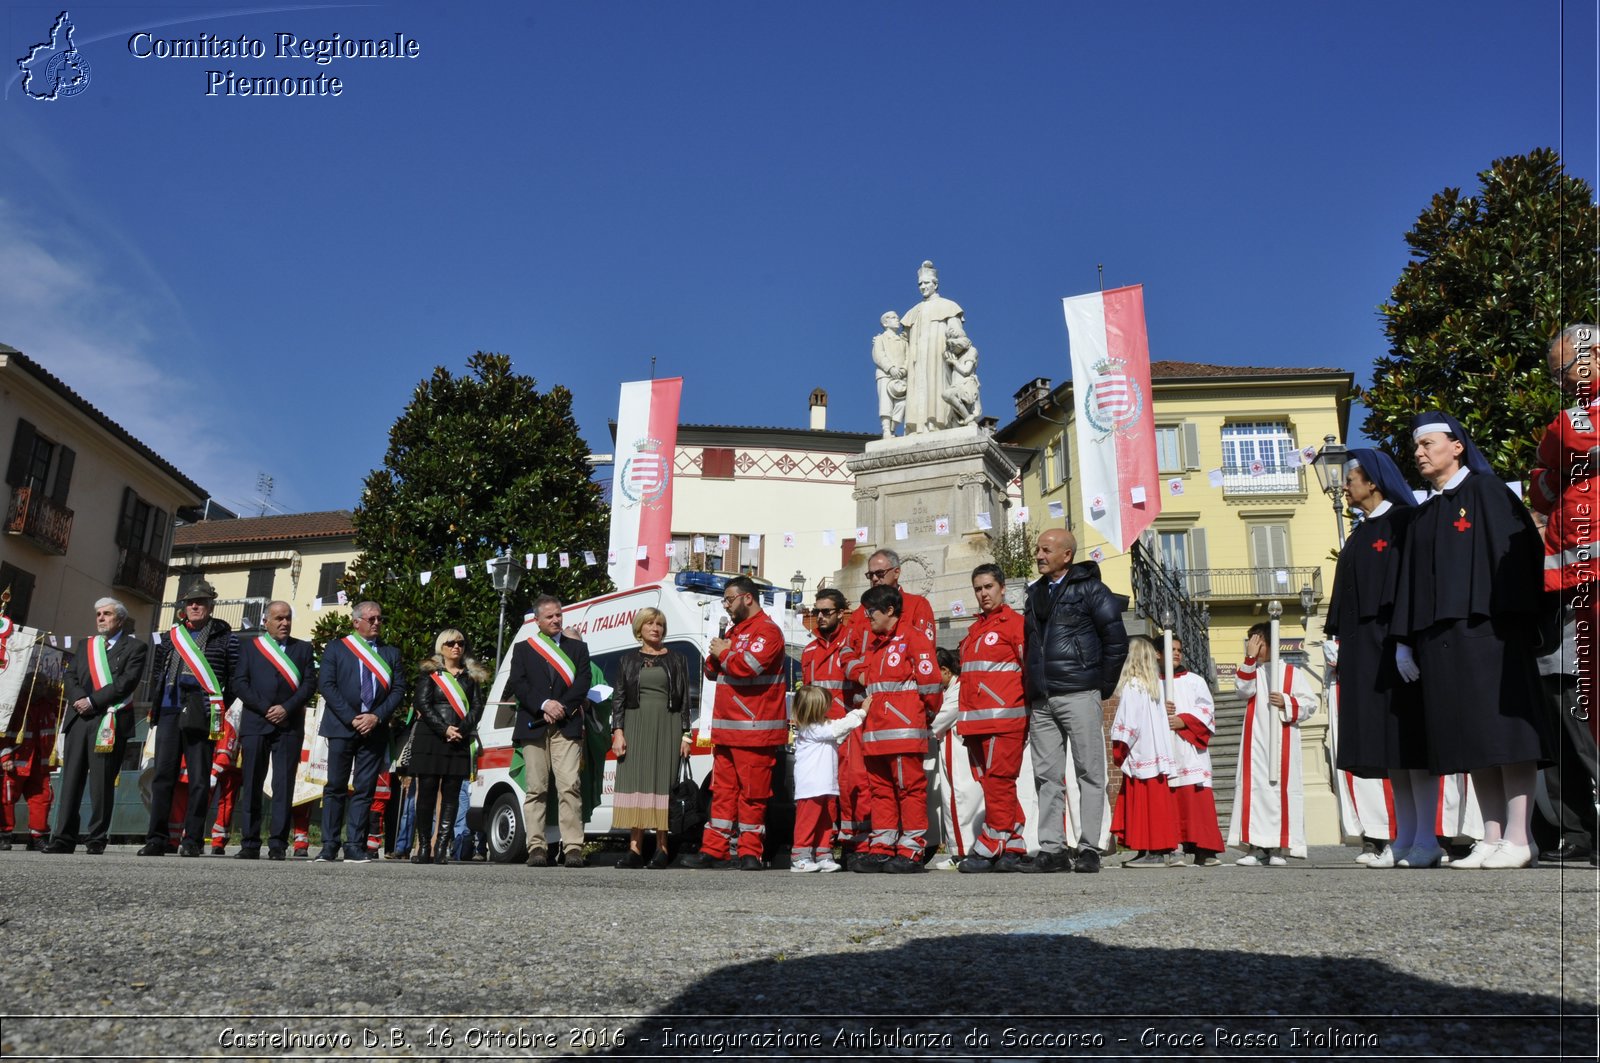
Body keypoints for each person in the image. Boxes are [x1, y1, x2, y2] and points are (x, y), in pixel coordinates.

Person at [1396, 410, 1552, 870]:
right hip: (1441, 638)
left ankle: (1522, 837)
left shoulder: (1488, 491)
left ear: (1457, 446)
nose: (1419, 453)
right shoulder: (1424, 514)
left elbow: (1519, 555)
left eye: (1428, 444)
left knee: (1506, 735)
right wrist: (1405, 641)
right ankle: (1491, 835)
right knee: (1470, 738)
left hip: (1491, 631)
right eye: (1417, 447)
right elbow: (1412, 582)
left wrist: (1518, 620)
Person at [1322, 449, 1417, 868]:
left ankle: (1421, 837)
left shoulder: (1400, 523)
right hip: (1363, 645)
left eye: (1351, 478)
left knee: (1404, 739)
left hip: (1389, 639)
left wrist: (1404, 639)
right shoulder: (1361, 531)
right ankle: (1402, 839)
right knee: (1382, 743)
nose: (1344, 486)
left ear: (1373, 482)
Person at [1529, 323, 1600, 865]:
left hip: (1589, 581)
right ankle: (1576, 829)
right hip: (1563, 587)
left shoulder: (1576, 417)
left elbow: (1565, 441)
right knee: (1560, 705)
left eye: (1563, 371)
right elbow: (1541, 481)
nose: (1560, 383)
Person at [1022, 527, 1127, 874]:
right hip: (1043, 698)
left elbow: (1116, 640)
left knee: (1089, 772)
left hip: (1079, 691)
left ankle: (1089, 848)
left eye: (1046, 549)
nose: (1039, 555)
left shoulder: (1091, 589)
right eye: (1038, 549)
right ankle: (1051, 848)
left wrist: (1100, 686)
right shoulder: (1034, 593)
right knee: (1046, 775)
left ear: (1067, 555)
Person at [678, 576, 787, 870]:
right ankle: (714, 849)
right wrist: (718, 651)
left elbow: (747, 667)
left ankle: (751, 851)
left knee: (753, 794)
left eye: (729, 599)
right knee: (722, 793)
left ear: (747, 598)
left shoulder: (768, 631)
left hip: (754, 731)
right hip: (727, 730)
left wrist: (724, 652)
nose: (726, 605)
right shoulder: (735, 632)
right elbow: (712, 672)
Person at [842, 583, 944, 873]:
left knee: (909, 790)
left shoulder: (913, 638)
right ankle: (882, 847)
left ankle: (911, 849)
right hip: (875, 734)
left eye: (871, 612)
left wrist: (923, 716)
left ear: (889, 610)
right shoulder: (876, 645)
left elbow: (931, 685)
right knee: (881, 791)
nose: (867, 618)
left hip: (903, 732)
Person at [140, 581, 238, 857]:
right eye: (191, 602)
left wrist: (216, 707)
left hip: (202, 713)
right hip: (170, 709)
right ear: (184, 607)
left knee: (199, 779)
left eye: (201, 602)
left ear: (210, 606)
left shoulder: (225, 637)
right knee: (163, 777)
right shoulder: (171, 637)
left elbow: (232, 679)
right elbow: (159, 673)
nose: (195, 606)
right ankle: (156, 839)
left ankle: (193, 839)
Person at [45, 598, 145, 854]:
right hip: (80, 719)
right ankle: (63, 837)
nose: (100, 618)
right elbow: (71, 675)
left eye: (107, 614)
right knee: (71, 781)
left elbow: (126, 682)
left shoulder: (135, 647)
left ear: (120, 619)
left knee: (101, 783)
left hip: (109, 718)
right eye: (98, 614)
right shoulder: (86, 646)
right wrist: (79, 699)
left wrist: (93, 701)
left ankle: (96, 838)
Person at [316, 600, 404, 863]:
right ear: (356, 622)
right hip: (342, 726)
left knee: (365, 789)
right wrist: (353, 718)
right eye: (371, 619)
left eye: (380, 619)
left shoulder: (391, 653)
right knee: (335, 787)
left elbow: (399, 689)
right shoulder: (336, 648)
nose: (377, 623)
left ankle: (354, 844)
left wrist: (376, 717)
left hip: (374, 730)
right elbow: (327, 685)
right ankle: (329, 844)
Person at [954, 564, 1029, 873]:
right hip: (975, 722)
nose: (983, 594)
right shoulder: (975, 631)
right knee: (993, 784)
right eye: (978, 589)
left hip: (1004, 719)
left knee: (999, 782)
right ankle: (1014, 843)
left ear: (1002, 588)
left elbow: (1030, 672)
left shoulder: (1015, 625)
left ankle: (991, 842)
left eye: (988, 587)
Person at [508, 595, 592, 868]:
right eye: (549, 617)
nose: (556, 620)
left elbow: (583, 682)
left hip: (565, 725)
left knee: (569, 786)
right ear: (537, 621)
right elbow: (518, 684)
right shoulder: (523, 649)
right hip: (533, 724)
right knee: (536, 788)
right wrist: (543, 704)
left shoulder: (578, 649)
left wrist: (562, 708)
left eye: (559, 615)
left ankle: (573, 848)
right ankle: (536, 847)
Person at [229, 600, 316, 860]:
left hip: (289, 725)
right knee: (253, 783)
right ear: (266, 621)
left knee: (283, 784)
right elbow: (239, 683)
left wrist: (286, 708)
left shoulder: (303, 648)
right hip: (256, 723)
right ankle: (250, 842)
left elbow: (309, 684)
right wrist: (267, 707)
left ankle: (278, 843)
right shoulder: (250, 648)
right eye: (278, 618)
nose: (284, 623)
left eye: (288, 618)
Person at [1227, 622, 1319, 865]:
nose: (1254, 647)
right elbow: (1242, 690)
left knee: (1282, 792)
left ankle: (1279, 848)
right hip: (1256, 743)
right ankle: (1256, 848)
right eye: (1250, 642)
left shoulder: (1291, 673)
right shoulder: (1252, 671)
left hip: (1283, 742)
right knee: (1254, 791)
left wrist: (1287, 702)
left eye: (1258, 642)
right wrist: (1249, 659)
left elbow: (1310, 704)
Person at [611, 607, 692, 869]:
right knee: (636, 780)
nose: (655, 628)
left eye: (659, 623)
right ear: (640, 628)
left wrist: (686, 735)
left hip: (667, 725)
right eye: (650, 623)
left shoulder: (677, 659)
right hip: (635, 725)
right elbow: (619, 699)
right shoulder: (627, 660)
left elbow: (684, 700)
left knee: (662, 783)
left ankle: (662, 848)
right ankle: (634, 849)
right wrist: (618, 731)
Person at [800, 588, 869, 853]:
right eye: (816, 611)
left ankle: (857, 845)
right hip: (820, 731)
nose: (820, 616)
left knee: (853, 786)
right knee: (823, 788)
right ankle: (823, 844)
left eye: (826, 611)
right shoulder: (808, 651)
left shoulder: (852, 646)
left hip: (849, 726)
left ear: (841, 614)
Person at [411, 628, 487, 863]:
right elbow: (422, 703)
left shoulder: (471, 677)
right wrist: (444, 728)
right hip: (432, 737)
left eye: (461, 643)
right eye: (451, 643)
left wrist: (460, 730)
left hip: (459, 739)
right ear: (441, 646)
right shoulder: (430, 673)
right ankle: (424, 847)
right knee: (426, 793)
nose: (457, 647)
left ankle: (442, 847)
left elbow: (477, 707)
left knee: (452, 794)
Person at [1109, 636, 1183, 868]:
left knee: (1145, 805)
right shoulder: (1156, 687)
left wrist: (1120, 746)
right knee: (1156, 804)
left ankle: (1154, 852)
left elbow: (1129, 723)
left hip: (1142, 752)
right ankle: (1149, 850)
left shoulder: (1133, 686)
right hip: (1157, 754)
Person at [1162, 633, 1226, 866]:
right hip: (1166, 750)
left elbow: (1207, 712)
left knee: (1198, 802)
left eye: (1179, 649)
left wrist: (1185, 721)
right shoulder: (1152, 683)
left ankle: (1204, 850)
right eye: (1172, 649)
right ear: (1159, 654)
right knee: (1171, 801)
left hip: (1191, 750)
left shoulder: (1195, 681)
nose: (1177, 653)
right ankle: (1174, 847)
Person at [789, 685, 866, 873]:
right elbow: (839, 728)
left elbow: (836, 735)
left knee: (826, 821)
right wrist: (861, 712)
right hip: (811, 787)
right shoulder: (812, 728)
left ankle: (823, 853)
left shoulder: (819, 729)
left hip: (825, 785)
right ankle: (800, 856)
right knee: (807, 822)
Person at [899, 259, 964, 433]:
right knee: (917, 389)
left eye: (926, 283)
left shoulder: (948, 306)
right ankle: (919, 426)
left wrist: (953, 340)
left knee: (937, 386)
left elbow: (959, 335)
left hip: (938, 356)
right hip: (916, 360)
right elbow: (903, 341)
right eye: (920, 284)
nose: (922, 286)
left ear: (935, 284)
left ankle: (936, 424)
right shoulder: (913, 312)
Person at [844, 549, 936, 654]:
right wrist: (859, 670)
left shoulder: (916, 605)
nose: (874, 578)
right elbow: (847, 650)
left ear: (896, 573)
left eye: (880, 573)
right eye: (870, 575)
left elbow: (924, 650)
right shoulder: (860, 613)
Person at [872, 311, 909, 438]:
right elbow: (878, 356)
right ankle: (886, 430)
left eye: (897, 318)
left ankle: (893, 427)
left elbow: (908, 357)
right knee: (885, 402)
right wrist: (890, 368)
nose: (897, 320)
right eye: (893, 318)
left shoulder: (903, 342)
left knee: (903, 403)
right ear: (885, 323)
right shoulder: (880, 339)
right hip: (885, 374)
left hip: (901, 376)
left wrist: (903, 370)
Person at [941, 319, 982, 426]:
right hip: (957, 385)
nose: (951, 349)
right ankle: (968, 419)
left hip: (966, 385)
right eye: (950, 346)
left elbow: (966, 370)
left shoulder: (972, 351)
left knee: (947, 395)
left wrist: (954, 362)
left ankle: (969, 418)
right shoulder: (956, 355)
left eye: (953, 346)